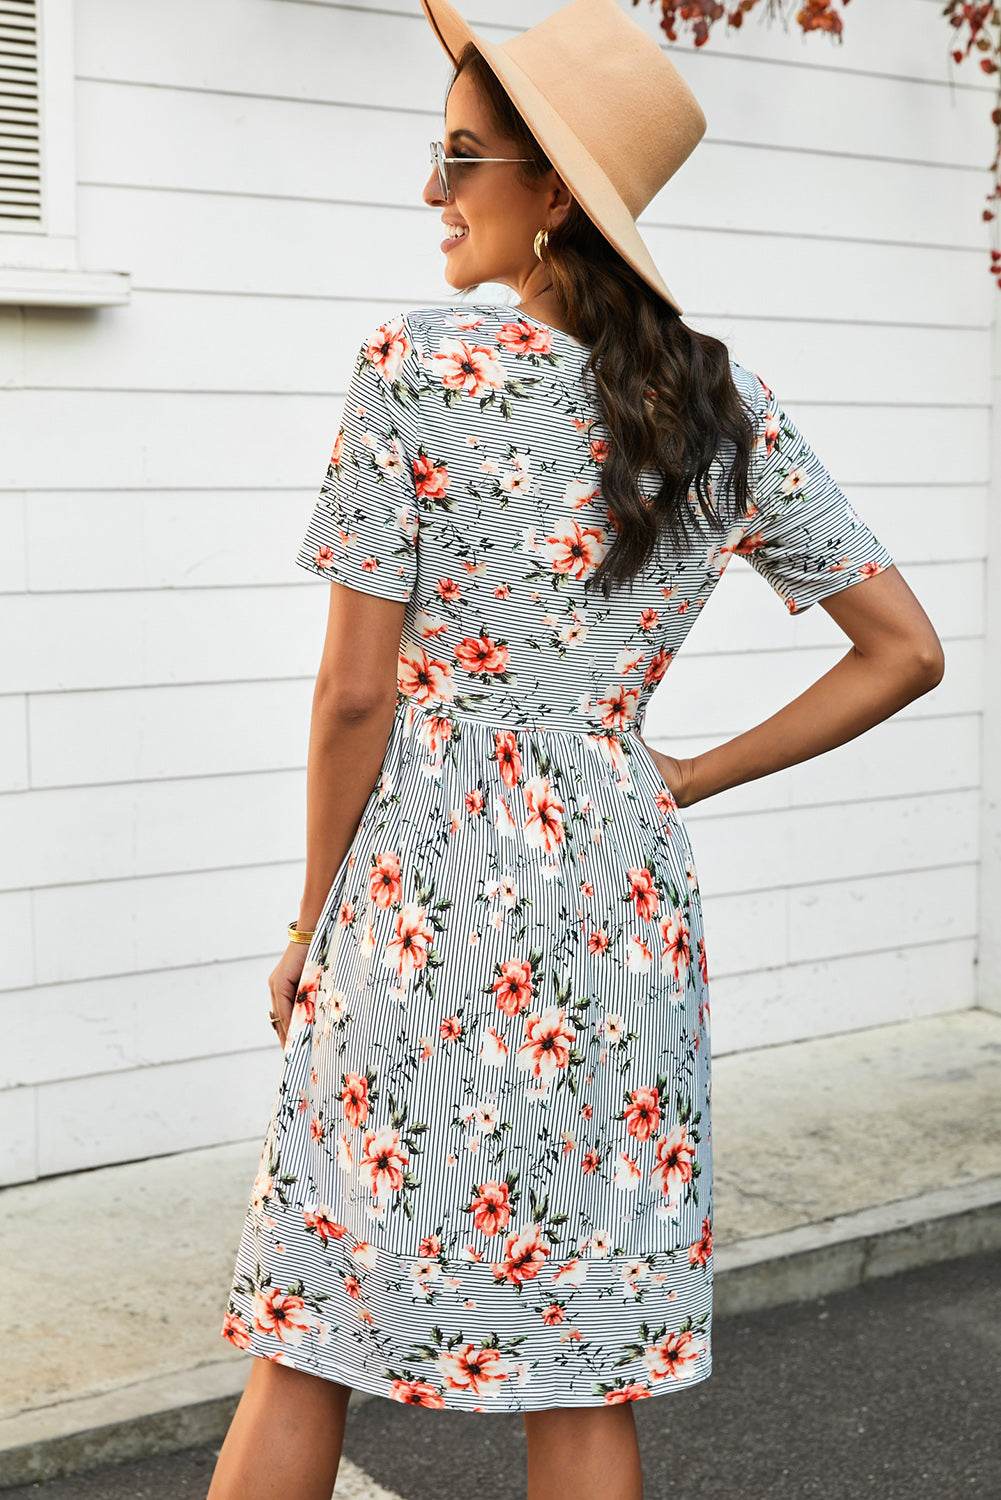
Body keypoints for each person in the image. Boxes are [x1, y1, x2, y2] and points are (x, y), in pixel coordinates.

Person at [207, 1, 943, 1496]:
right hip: (617, 894)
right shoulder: (721, 405)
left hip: (417, 888)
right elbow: (903, 651)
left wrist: (307, 921)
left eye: (461, 156)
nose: (433, 187)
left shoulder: (414, 367)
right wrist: (668, 774)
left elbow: (355, 697)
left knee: (309, 1327)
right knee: (582, 1361)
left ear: (553, 190)